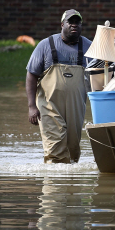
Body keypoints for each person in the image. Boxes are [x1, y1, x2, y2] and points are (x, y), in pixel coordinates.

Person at [26, 9, 92, 163]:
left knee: (72, 148)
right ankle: (54, 185)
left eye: (78, 22)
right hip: (49, 105)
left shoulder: (90, 47)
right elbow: (31, 75)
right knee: (55, 147)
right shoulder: (45, 45)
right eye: (71, 22)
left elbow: (99, 76)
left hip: (76, 106)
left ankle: (70, 185)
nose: (74, 25)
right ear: (62, 24)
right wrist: (31, 106)